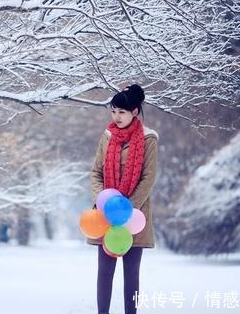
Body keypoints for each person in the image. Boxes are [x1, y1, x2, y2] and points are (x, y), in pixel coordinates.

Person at [87, 84, 159, 314]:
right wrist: (103, 202)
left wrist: (127, 209)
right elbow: (96, 172)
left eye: (122, 112)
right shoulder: (107, 137)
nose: (116, 117)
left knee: (132, 273)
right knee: (105, 271)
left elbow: (148, 177)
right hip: (105, 216)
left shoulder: (149, 140)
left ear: (134, 112)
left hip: (135, 216)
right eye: (113, 111)